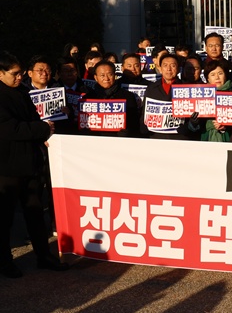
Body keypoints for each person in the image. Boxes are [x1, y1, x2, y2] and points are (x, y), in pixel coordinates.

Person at [0, 51, 69, 278]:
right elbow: (11, 129)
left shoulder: (22, 91)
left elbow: (32, 119)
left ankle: (44, 255)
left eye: (20, 73)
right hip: (7, 167)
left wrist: (43, 131)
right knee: (5, 218)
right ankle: (5, 262)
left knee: (35, 212)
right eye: (14, 73)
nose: (19, 77)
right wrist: (42, 128)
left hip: (30, 163)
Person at [80, 61, 141, 137]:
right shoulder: (88, 99)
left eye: (110, 74)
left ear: (115, 76)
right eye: (102, 75)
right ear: (95, 77)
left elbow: (135, 123)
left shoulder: (128, 96)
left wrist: (127, 131)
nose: (106, 78)